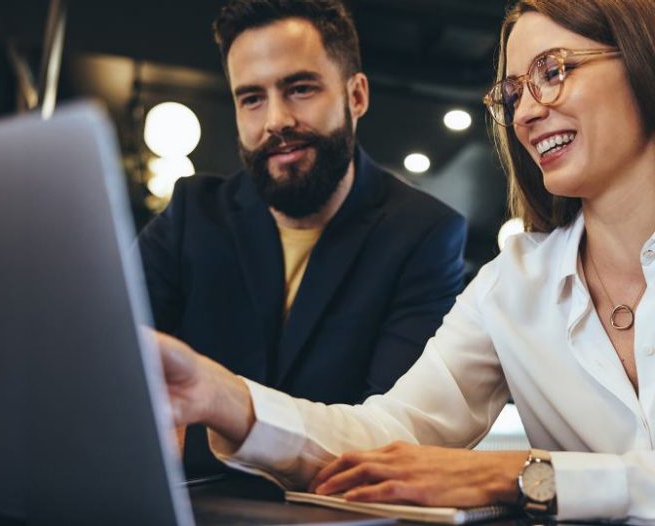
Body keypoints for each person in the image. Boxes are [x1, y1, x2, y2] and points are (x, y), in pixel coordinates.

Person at [154, 0, 655, 521]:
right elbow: (390, 435)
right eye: (510, 94)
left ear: (642, 58)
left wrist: (524, 474)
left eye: (553, 72)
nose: (525, 113)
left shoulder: (428, 236)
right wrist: (225, 399)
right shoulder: (509, 285)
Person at [138, 0, 467, 477]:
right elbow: (113, 370)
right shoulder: (192, 213)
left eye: (300, 89)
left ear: (356, 96)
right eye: (251, 98)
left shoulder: (424, 234)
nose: (275, 120)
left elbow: (386, 443)